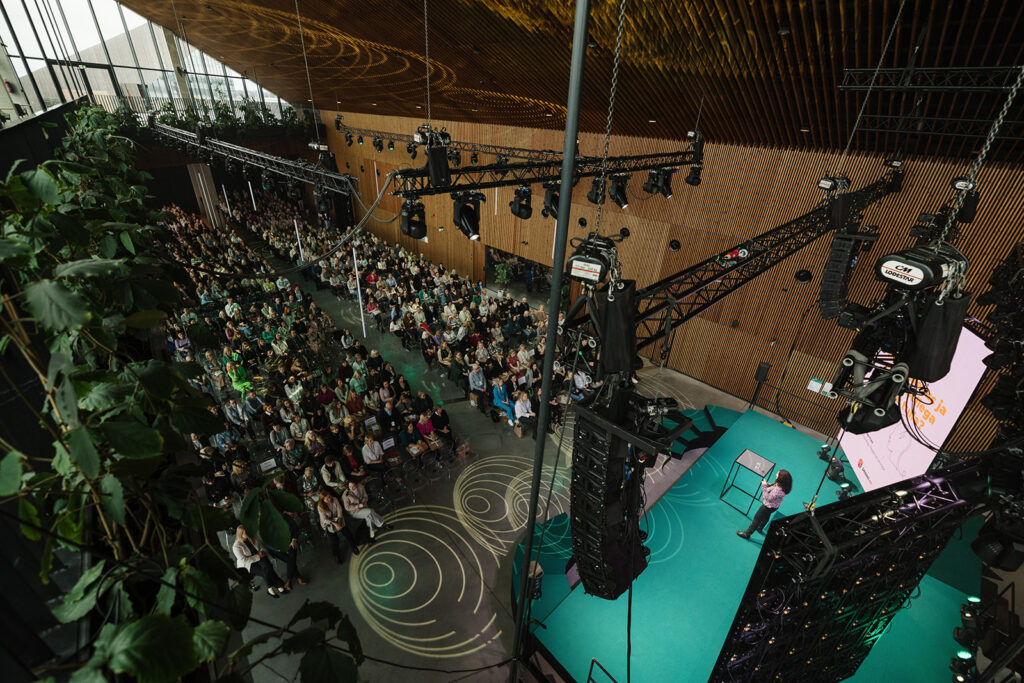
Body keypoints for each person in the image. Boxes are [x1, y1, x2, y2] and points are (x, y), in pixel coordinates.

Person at [232, 526, 287, 598]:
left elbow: (261, 545)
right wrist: (258, 556)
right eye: (246, 532)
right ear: (241, 534)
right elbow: (244, 560)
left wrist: (262, 551)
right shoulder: (236, 546)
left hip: (260, 556)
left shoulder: (252, 536)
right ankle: (277, 586)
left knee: (268, 567)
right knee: (265, 571)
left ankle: (271, 589)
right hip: (249, 564)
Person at [737, 470, 793, 539]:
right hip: (774, 507)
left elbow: (768, 498)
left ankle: (747, 534)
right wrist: (769, 485)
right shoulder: (782, 486)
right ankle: (760, 528)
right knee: (766, 516)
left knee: (756, 518)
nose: (776, 474)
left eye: (777, 474)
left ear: (780, 478)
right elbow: (774, 487)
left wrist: (764, 486)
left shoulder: (778, 490)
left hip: (767, 507)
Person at [317, 489, 358, 563]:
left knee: (347, 533)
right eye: (327, 499)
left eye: (329, 497)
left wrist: (339, 521)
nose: (329, 499)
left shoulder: (334, 499)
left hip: (338, 519)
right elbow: (324, 519)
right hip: (328, 523)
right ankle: (337, 556)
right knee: (334, 540)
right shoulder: (320, 506)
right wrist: (335, 524)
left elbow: (339, 510)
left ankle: (354, 547)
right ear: (322, 500)